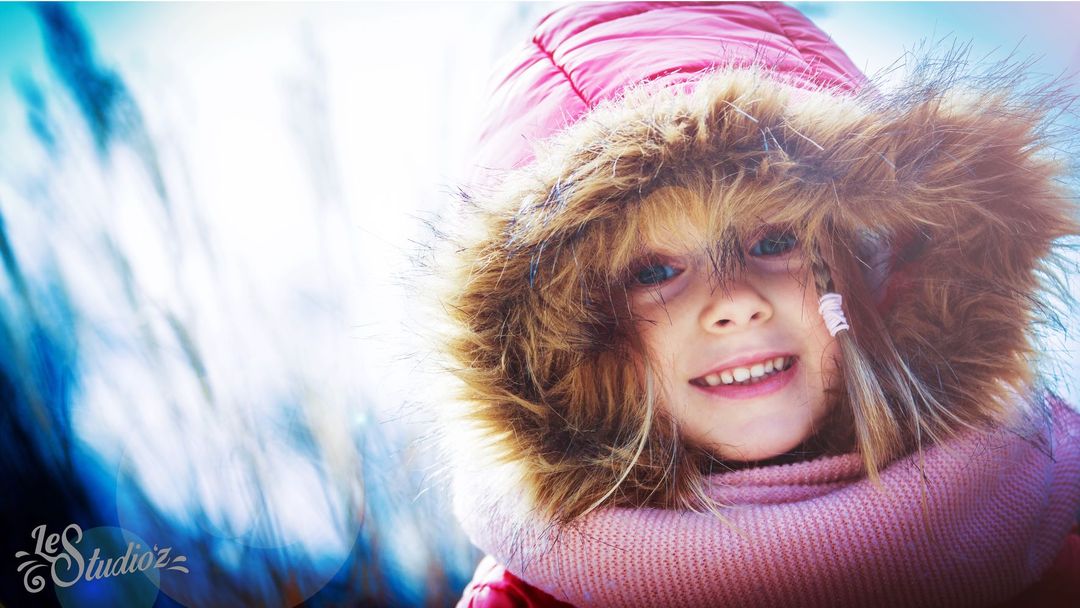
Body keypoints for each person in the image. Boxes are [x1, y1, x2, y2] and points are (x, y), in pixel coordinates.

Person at [429, 3, 1080, 606]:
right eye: (654, 270)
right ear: (571, 341)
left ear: (875, 266)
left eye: (774, 241)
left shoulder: (1051, 531)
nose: (736, 303)